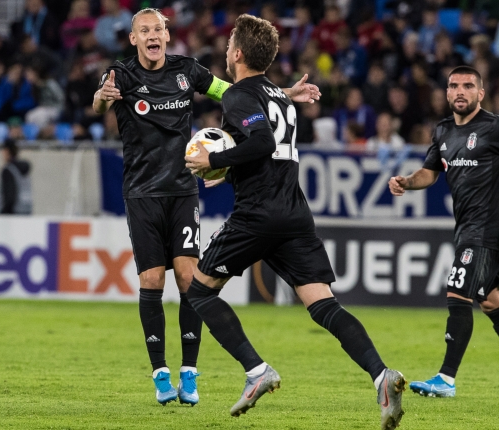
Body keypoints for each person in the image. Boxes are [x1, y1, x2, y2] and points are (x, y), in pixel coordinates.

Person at [184, 14, 405, 429]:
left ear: (237, 53)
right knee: (323, 305)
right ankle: (381, 376)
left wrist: (213, 160)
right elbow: (266, 144)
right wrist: (228, 170)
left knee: (199, 292)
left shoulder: (236, 98)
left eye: (230, 43)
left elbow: (262, 142)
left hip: (257, 214)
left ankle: (256, 371)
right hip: (293, 213)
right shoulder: (279, 97)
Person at [92, 7, 321, 406]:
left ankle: (190, 373)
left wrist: (284, 94)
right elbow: (99, 104)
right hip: (142, 192)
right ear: (133, 39)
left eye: (158, 29)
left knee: (187, 277)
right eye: (143, 30)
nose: (152, 36)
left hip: (183, 190)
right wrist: (100, 98)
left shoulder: (187, 70)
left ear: (167, 35)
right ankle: (161, 372)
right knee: (151, 281)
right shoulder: (121, 76)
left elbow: (233, 93)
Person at [389, 66, 499, 398]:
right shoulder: (443, 131)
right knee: (491, 301)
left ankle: (446, 379)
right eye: (454, 86)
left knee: (457, 293)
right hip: (468, 226)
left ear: (480, 93)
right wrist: (408, 181)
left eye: (468, 85)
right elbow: (429, 172)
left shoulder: (493, 128)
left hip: (486, 230)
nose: (460, 91)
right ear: (447, 93)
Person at [0, 139, 32, 215]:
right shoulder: (24, 171)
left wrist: (1, 213)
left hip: (12, 216)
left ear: (7, 151)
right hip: (26, 213)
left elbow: (9, 198)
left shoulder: (8, 170)